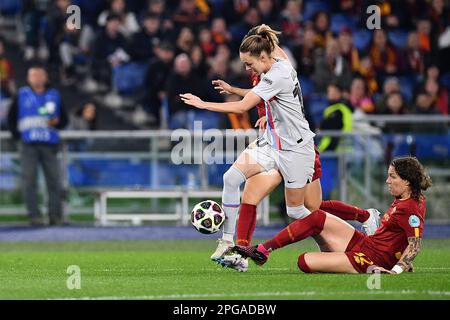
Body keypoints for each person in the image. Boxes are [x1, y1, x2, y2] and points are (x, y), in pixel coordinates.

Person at [181, 25, 317, 265]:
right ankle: (227, 241)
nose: (247, 68)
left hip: (295, 148)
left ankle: (350, 232)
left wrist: (203, 104)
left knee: (297, 212)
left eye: (249, 63)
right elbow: (258, 90)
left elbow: (243, 106)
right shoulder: (279, 59)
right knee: (231, 178)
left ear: (263, 57)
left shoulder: (278, 74)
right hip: (271, 142)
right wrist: (234, 88)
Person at [233, 156, 431, 274]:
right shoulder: (407, 197)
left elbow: (415, 244)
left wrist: (397, 269)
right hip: (367, 244)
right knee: (316, 216)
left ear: (407, 181)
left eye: (393, 177)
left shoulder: (410, 208)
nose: (387, 181)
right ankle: (262, 250)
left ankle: (339, 259)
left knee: (304, 261)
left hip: (370, 260)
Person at [7, 65, 68, 226]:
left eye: (40, 75)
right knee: (29, 181)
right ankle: (34, 216)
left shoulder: (54, 95)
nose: (37, 79)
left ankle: (55, 216)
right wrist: (17, 136)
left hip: (49, 144)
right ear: (28, 79)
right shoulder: (21, 95)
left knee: (54, 180)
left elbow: (64, 120)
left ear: (45, 77)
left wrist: (58, 122)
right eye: (33, 76)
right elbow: (11, 118)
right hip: (28, 144)